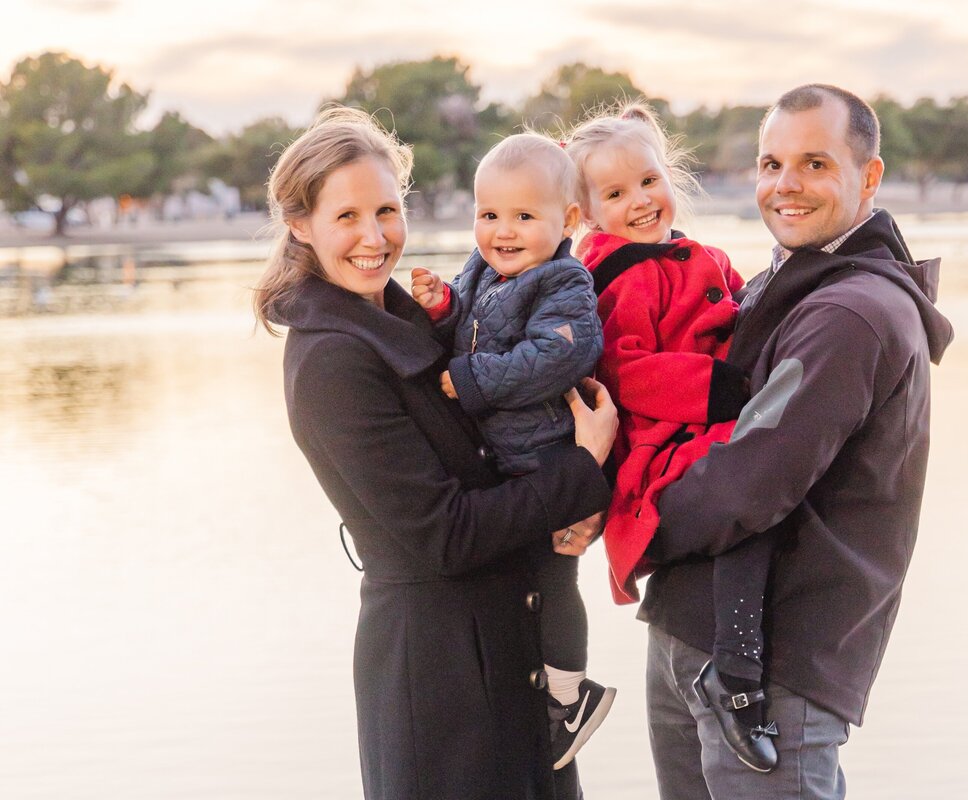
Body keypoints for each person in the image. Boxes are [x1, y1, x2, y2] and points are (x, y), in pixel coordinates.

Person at [252, 105, 617, 800]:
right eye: (348, 216)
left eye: (387, 210)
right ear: (301, 225)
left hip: (510, 655)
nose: (374, 236)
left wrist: (571, 503)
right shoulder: (332, 361)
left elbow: (499, 452)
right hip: (442, 681)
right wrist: (579, 469)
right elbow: (445, 536)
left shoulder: (414, 314)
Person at [638, 85, 955, 799]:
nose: (786, 185)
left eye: (815, 163)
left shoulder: (853, 313)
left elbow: (747, 480)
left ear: (868, 177)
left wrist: (626, 521)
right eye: (771, 163)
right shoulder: (786, 284)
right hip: (695, 634)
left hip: (772, 671)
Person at [564, 103, 781, 771]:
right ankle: (736, 671)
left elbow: (744, 309)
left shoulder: (699, 254)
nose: (639, 201)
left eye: (649, 181)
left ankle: (747, 652)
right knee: (748, 492)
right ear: (586, 211)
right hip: (659, 441)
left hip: (704, 417)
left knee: (776, 473)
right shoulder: (611, 275)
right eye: (615, 193)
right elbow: (620, 369)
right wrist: (717, 386)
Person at [409, 132, 616, 770]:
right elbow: (470, 324)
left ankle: (571, 692)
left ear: (568, 222)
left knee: (555, 575)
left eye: (524, 216)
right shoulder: (483, 271)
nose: (503, 230)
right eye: (489, 214)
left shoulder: (563, 283)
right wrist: (443, 306)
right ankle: (536, 686)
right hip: (506, 460)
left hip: (546, 456)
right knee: (523, 580)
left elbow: (559, 355)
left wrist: (471, 381)